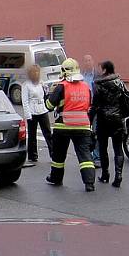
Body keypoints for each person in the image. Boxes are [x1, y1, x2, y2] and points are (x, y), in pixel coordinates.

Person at [45, 58, 96, 192]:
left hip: (63, 126)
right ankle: (89, 183)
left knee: (59, 156)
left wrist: (49, 95)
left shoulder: (61, 86)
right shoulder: (86, 87)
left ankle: (55, 178)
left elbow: (49, 106)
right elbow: (89, 106)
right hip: (83, 126)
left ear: (64, 71)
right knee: (85, 156)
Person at [92, 60, 127, 188]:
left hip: (103, 119)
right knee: (118, 148)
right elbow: (126, 100)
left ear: (105, 70)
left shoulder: (99, 85)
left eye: (100, 68)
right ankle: (118, 175)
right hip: (117, 118)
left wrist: (90, 120)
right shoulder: (120, 83)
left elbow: (94, 105)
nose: (98, 71)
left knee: (102, 147)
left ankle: (105, 174)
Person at [22, 65, 53, 163]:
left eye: (37, 72)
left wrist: (46, 89)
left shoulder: (41, 82)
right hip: (32, 111)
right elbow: (25, 101)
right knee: (32, 135)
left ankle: (53, 154)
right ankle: (32, 155)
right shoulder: (26, 85)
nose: (36, 74)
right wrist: (28, 115)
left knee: (48, 133)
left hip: (42, 110)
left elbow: (45, 94)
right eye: (34, 72)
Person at [81, 54, 100, 167]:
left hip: (96, 107)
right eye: (85, 61)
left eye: (89, 60)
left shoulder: (98, 76)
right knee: (85, 133)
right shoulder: (81, 76)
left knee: (96, 132)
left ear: (93, 61)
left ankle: (97, 157)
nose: (87, 62)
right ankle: (87, 156)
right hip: (84, 108)